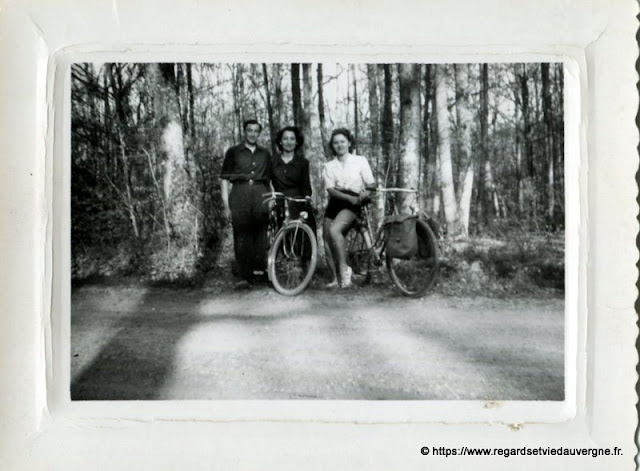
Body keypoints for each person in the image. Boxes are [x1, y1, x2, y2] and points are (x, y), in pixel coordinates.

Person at [220, 119, 272, 289]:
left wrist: (272, 199)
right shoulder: (233, 152)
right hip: (240, 194)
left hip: (260, 194)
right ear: (244, 132)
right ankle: (244, 277)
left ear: (259, 133)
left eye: (256, 131)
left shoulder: (265, 153)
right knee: (242, 236)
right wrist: (226, 206)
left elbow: (270, 178)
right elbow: (224, 180)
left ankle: (259, 272)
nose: (252, 134)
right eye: (249, 130)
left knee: (261, 235)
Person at [323, 128, 376, 288]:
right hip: (337, 201)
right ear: (332, 146)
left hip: (354, 204)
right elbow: (331, 190)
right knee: (326, 239)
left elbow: (371, 184)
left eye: (342, 142)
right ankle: (335, 278)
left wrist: (364, 195)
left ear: (349, 143)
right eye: (336, 142)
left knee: (334, 231)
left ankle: (345, 272)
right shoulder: (329, 166)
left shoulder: (360, 160)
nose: (339, 145)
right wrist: (349, 198)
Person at [270, 126, 316, 233]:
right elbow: (267, 181)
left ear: (296, 142)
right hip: (278, 202)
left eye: (292, 139)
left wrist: (307, 200)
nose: (289, 142)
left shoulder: (303, 162)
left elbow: (306, 186)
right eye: (285, 139)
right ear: (280, 142)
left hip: (297, 202)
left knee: (303, 231)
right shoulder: (272, 161)